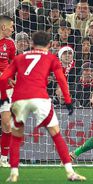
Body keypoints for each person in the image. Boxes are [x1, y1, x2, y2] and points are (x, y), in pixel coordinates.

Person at [0, 31, 86, 182]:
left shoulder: (20, 58)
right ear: (49, 45)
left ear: (31, 44)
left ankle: (14, 173)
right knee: (56, 134)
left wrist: (4, 98)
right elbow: (61, 80)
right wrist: (68, 101)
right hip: (40, 98)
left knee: (16, 136)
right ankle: (70, 172)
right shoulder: (51, 58)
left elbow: (3, 78)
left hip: (19, 99)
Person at [0, 15, 16, 168]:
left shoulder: (11, 44)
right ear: (3, 27)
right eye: (11, 26)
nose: (13, 29)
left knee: (7, 124)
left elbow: (12, 63)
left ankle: (3, 159)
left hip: (6, 89)